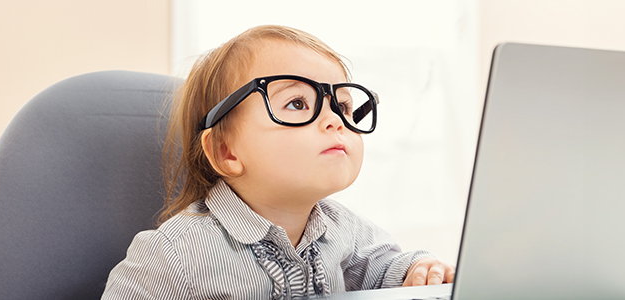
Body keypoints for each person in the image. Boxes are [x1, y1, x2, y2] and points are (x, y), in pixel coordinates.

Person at [101, 25, 454, 300]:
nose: (334, 120)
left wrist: (419, 268)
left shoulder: (343, 228)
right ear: (226, 151)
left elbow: (384, 269)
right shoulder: (174, 254)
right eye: (298, 103)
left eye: (342, 106)